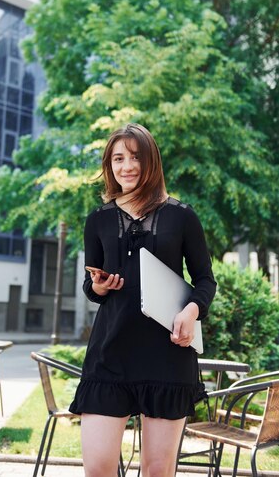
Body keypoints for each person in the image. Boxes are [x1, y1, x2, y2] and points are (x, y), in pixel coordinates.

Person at [69, 123, 217, 477]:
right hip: (110, 354)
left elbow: (205, 280)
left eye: (135, 157)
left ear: (151, 161)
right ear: (110, 165)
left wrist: (192, 311)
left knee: (157, 471)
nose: (127, 166)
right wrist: (99, 288)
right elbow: (92, 286)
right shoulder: (98, 220)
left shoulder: (182, 216)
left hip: (167, 356)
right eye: (118, 158)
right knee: (98, 469)